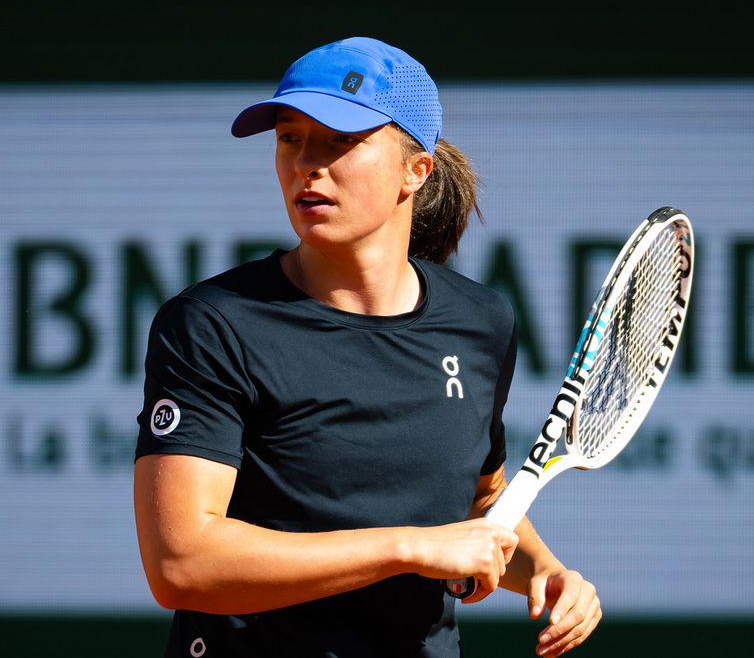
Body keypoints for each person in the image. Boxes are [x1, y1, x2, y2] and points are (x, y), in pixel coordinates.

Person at [134, 37, 601, 657]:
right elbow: (182, 564)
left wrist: (543, 569)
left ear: (417, 169)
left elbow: (479, 500)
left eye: (339, 140)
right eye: (290, 138)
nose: (307, 165)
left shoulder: (481, 320)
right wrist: (408, 547)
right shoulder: (213, 324)